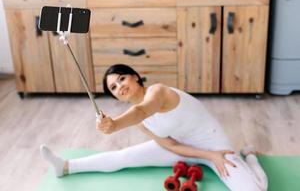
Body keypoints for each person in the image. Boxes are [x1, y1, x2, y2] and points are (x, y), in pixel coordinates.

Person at [40, 64, 268, 191]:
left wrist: (115, 124)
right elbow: (170, 144)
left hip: (216, 145)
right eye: (113, 87)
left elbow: (142, 110)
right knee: (124, 157)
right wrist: (207, 156)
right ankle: (67, 166)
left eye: (121, 79)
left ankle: (250, 159)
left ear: (136, 77)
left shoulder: (158, 92)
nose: (119, 86)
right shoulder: (138, 119)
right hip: (190, 149)